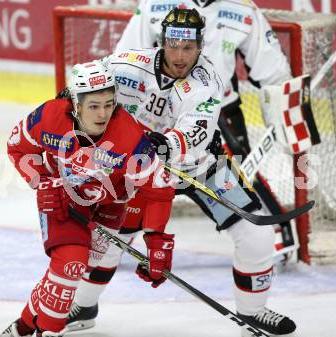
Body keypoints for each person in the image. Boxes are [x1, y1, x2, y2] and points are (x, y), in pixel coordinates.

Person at [67, 8, 296, 337]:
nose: (179, 56)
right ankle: (84, 305)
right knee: (109, 237)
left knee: (256, 234)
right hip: (138, 169)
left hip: (199, 166)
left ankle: (253, 313)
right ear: (162, 42)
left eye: (188, 48)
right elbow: (87, 80)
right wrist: (71, 105)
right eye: (173, 45)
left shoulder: (207, 82)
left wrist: (166, 146)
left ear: (200, 46)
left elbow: (194, 135)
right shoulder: (128, 62)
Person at [0, 60, 176, 337]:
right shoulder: (49, 117)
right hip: (62, 198)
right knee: (71, 263)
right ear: (75, 104)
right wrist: (43, 183)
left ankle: (22, 328)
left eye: (109, 104)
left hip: (110, 205)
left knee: (68, 273)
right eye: (93, 106)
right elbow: (18, 148)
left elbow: (158, 187)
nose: (103, 114)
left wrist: (156, 238)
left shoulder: (129, 136)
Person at [115, 0, 297, 255]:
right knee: (142, 171)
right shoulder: (154, 4)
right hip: (159, 112)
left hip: (219, 111)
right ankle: (124, 225)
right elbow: (126, 60)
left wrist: (283, 108)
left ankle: (275, 233)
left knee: (238, 175)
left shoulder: (242, 8)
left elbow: (273, 71)